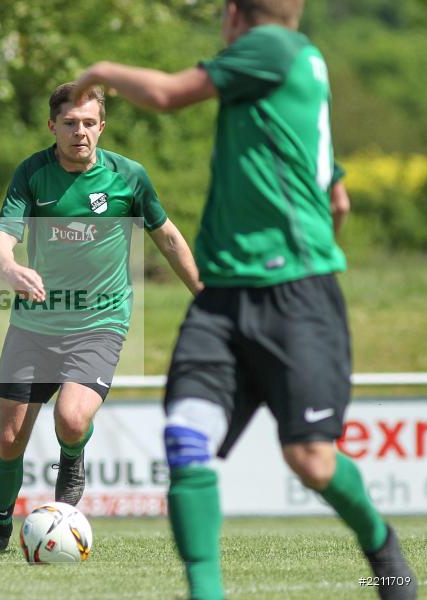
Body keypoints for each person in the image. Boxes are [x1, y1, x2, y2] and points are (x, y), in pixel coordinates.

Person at [73, 1, 416, 598]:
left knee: (310, 460)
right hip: (226, 296)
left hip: (292, 296)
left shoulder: (273, 47)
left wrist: (101, 70)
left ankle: (382, 544)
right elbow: (337, 200)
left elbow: (168, 94)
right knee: (185, 436)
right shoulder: (291, 74)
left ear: (234, 15)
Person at [0, 82, 201, 553]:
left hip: (99, 322)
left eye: (89, 123)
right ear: (52, 125)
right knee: (11, 437)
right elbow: (1, 238)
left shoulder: (129, 177)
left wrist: (204, 294)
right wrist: (10, 267)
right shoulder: (32, 174)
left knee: (71, 420)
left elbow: (170, 239)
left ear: (102, 126)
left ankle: (71, 459)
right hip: (35, 325)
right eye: (70, 123)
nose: (80, 132)